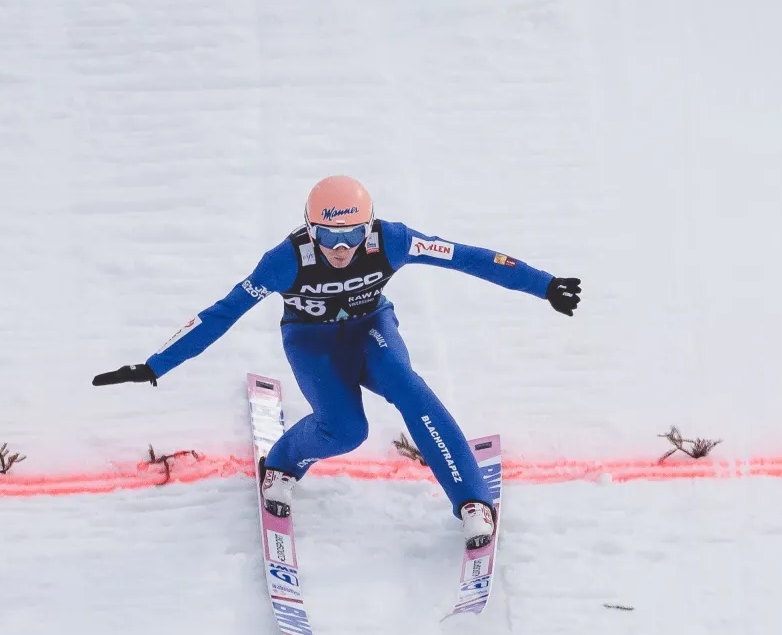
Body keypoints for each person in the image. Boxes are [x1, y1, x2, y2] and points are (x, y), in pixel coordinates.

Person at [93, 175, 581, 549]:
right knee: (346, 430)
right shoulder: (284, 261)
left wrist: (544, 284)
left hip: (371, 331)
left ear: (368, 228)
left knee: (412, 391)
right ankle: (282, 463)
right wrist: (155, 364)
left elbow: (466, 257)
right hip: (311, 341)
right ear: (310, 231)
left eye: (350, 236)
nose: (341, 249)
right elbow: (221, 313)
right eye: (328, 237)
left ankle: (471, 500)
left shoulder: (391, 239)